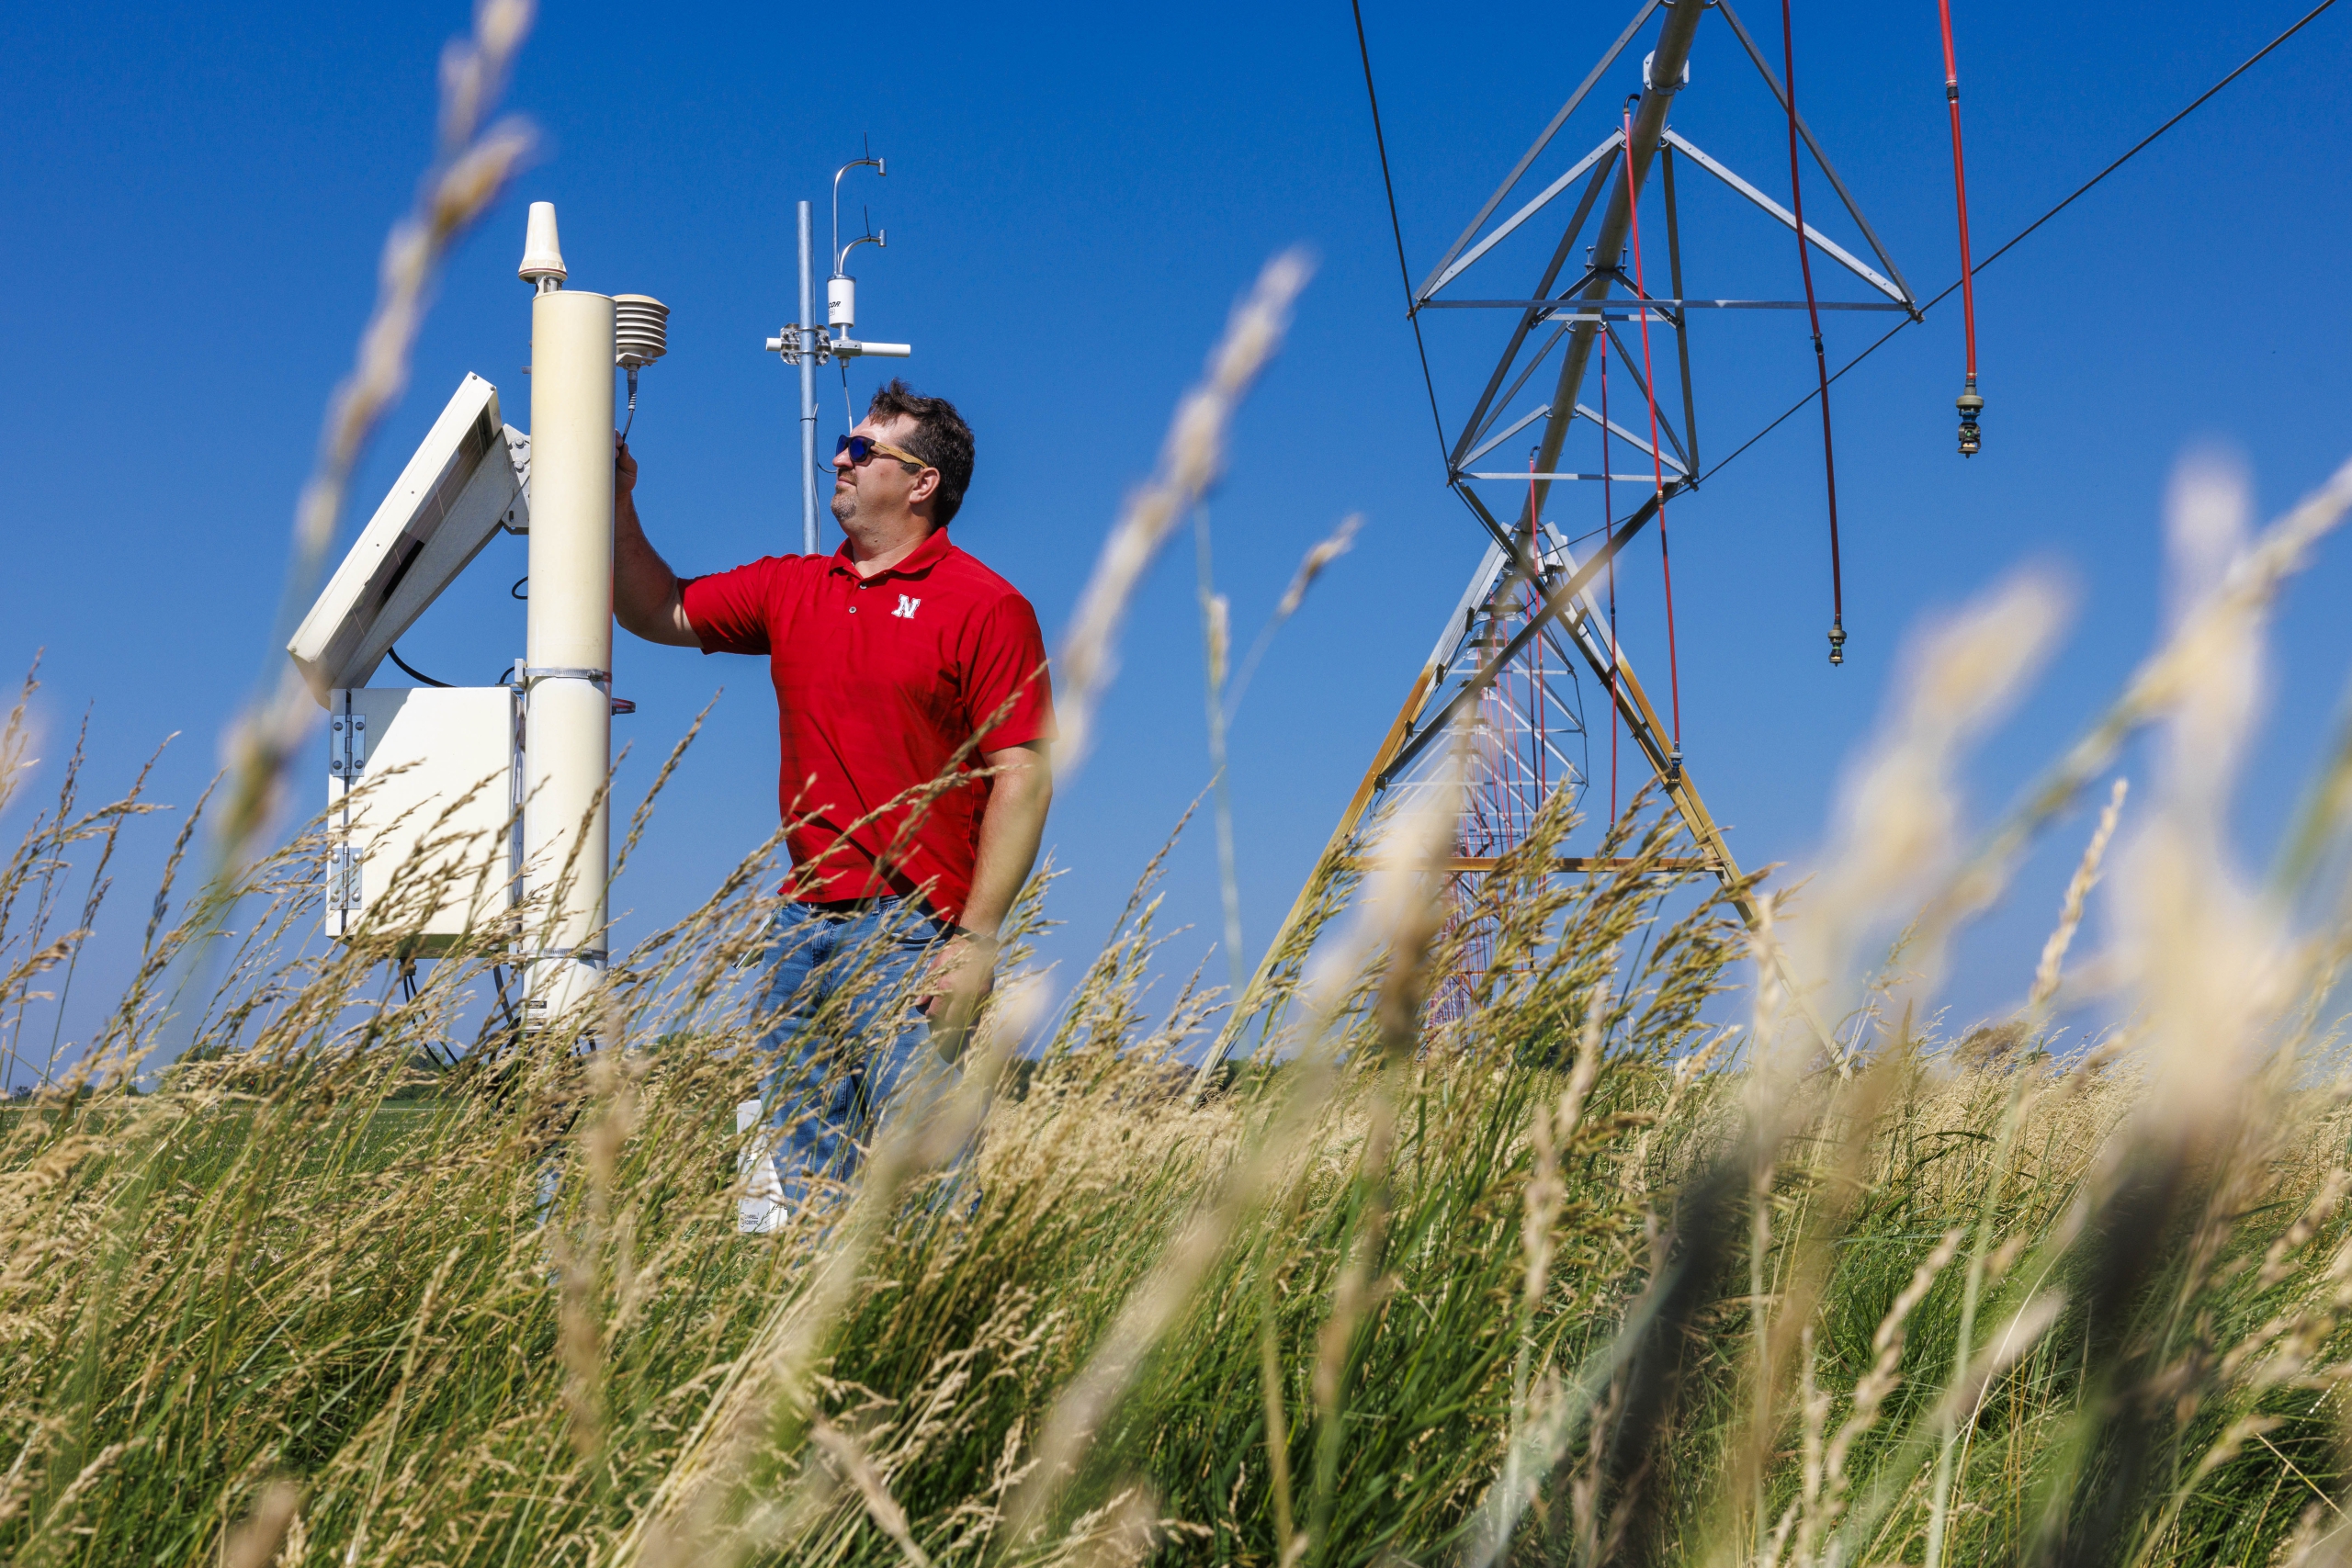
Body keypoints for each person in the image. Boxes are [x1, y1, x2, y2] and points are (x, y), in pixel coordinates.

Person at [611, 379, 1054, 1226]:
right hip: (799, 929)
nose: (839, 461)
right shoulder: (793, 586)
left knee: (928, 1195)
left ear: (922, 482)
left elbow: (1022, 775)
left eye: (861, 450)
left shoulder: (986, 605)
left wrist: (975, 939)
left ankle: (938, 1314)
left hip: (914, 935)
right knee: (811, 1195)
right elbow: (655, 607)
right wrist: (618, 501)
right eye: (842, 447)